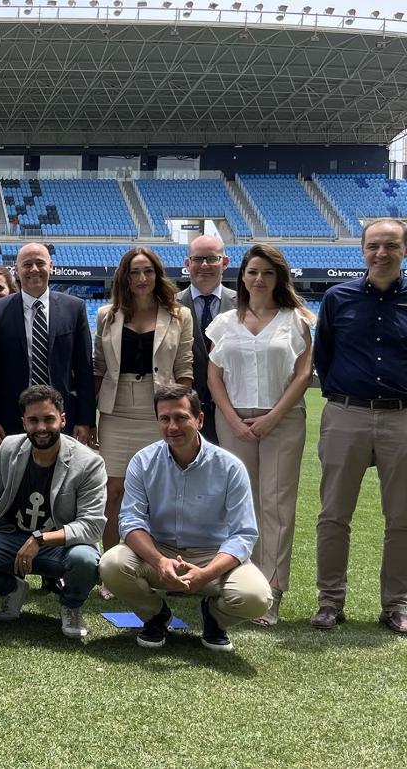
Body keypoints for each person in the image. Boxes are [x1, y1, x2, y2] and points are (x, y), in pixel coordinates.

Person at [99, 384, 271, 652]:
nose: (172, 427)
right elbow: (131, 521)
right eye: (164, 419)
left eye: (181, 417)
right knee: (111, 564)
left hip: (212, 554)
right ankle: (156, 615)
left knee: (256, 597)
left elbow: (243, 534)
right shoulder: (143, 462)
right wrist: (159, 561)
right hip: (159, 551)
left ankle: (214, 617)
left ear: (199, 420)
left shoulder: (230, 467)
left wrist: (206, 574)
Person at [206, 244, 314, 626]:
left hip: (282, 420)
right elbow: (214, 375)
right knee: (240, 504)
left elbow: (303, 375)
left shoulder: (296, 319)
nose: (259, 279)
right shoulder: (224, 321)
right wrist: (232, 419)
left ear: (278, 277)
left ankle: (271, 590)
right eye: (253, 272)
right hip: (233, 420)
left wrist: (272, 417)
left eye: (267, 272)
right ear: (243, 276)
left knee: (276, 504)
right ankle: (239, 581)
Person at [311, 217, 407, 635]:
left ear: (404, 250)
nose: (381, 253)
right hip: (346, 412)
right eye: (373, 246)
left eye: (390, 246)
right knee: (334, 514)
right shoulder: (338, 298)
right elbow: (323, 355)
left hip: (402, 416)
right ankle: (330, 602)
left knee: (402, 517)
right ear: (363, 251)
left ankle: (397, 604)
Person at [0, 385, 107, 639]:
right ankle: (12, 588)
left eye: (48, 419)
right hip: (10, 536)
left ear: (62, 419)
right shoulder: (10, 448)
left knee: (85, 561)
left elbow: (91, 525)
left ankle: (71, 606)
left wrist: (40, 539)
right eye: (33, 420)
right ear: (23, 422)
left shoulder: (89, 462)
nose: (41, 428)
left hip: (59, 544)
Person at [92, 246, 193, 570]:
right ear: (124, 277)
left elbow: (184, 367)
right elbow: (98, 368)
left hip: (159, 411)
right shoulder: (106, 315)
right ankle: (111, 566)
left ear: (157, 274)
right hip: (117, 409)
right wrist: (90, 418)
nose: (141, 278)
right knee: (114, 491)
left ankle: (158, 565)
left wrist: (180, 414)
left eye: (147, 271)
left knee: (160, 492)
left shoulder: (179, 315)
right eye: (134, 272)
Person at [0, 243, 95, 451]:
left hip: (62, 417)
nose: (34, 269)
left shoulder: (74, 308)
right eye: (27, 264)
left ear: (51, 266)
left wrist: (85, 419)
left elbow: (84, 369)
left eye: (40, 263)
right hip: (10, 418)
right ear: (16, 269)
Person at [178, 235, 237, 443]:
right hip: (184, 413)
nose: (204, 265)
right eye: (197, 259)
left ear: (225, 262)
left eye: (212, 259)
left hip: (233, 413)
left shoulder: (244, 306)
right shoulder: (169, 306)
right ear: (187, 264)